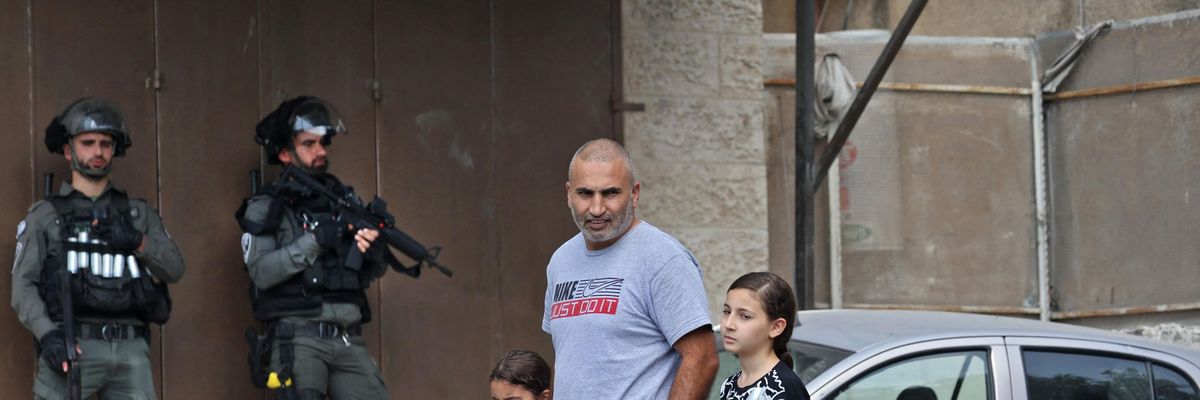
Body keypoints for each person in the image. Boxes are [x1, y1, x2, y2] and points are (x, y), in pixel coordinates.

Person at [11, 96, 184, 399]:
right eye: (88, 142)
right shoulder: (45, 215)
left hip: (130, 348)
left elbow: (174, 267)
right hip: (72, 343)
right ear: (68, 150)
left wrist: (137, 241)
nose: (98, 152)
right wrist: (48, 334)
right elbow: (22, 286)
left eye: (106, 143)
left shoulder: (137, 213)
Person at [236, 96, 390, 399]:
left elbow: (370, 271)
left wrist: (373, 251)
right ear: (284, 152)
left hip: (348, 338)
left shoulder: (344, 202)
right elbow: (262, 272)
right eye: (309, 144)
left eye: (323, 142)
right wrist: (316, 240)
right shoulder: (267, 207)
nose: (320, 151)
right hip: (298, 338)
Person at [542, 138, 718, 399]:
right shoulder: (561, 260)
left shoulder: (663, 258)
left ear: (634, 193)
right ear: (569, 193)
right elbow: (569, 362)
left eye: (611, 193)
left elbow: (702, 359)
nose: (597, 208)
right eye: (585, 193)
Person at [717, 272, 808, 400]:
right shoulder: (729, 385)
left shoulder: (784, 389)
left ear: (776, 327)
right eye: (727, 311)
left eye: (744, 316)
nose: (728, 324)